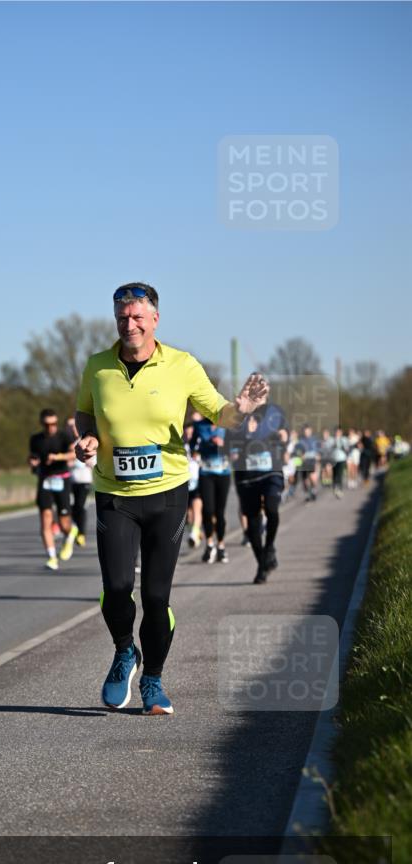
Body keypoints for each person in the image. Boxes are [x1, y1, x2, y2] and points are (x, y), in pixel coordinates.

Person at [75, 281, 269, 715]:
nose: (130, 324)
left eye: (138, 316)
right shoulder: (97, 366)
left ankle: (154, 681)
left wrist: (243, 409)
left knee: (156, 597)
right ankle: (125, 651)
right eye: (123, 317)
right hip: (114, 493)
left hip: (167, 495)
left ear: (155, 319)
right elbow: (85, 411)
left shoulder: (181, 365)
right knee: (118, 587)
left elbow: (220, 413)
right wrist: (85, 438)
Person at [227, 397, 288, 584]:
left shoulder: (274, 416)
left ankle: (269, 548)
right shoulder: (237, 419)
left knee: (271, 508)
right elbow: (229, 446)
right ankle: (262, 564)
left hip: (271, 472)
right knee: (253, 524)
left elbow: (285, 437)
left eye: (261, 395)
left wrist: (281, 437)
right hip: (246, 477)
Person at [28, 409, 76, 570]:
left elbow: (73, 454)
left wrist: (57, 457)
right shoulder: (35, 439)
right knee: (46, 517)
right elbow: (33, 456)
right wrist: (33, 462)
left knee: (64, 523)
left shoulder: (64, 436)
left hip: (62, 479)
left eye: (54, 423)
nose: (51, 427)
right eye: (47, 424)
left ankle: (71, 532)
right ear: (42, 423)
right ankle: (51, 556)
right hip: (45, 480)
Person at [191, 417, 231, 564]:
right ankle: (209, 544)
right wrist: (197, 450)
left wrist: (223, 445)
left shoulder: (226, 425)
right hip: (206, 473)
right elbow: (193, 444)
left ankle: (221, 545)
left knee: (220, 513)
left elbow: (235, 446)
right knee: (207, 510)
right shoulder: (199, 425)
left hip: (223, 473)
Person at [66, 415, 93, 548]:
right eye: (69, 427)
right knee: (71, 507)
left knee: (80, 507)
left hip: (83, 480)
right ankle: (74, 529)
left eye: (74, 426)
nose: (72, 429)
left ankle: (81, 534)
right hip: (70, 481)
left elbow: (92, 462)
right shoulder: (66, 443)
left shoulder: (87, 440)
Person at [183, 419, 203, 549]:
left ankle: (194, 535)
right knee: (188, 517)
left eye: (191, 433)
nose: (189, 435)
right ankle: (197, 531)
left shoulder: (200, 444)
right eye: (187, 433)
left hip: (198, 481)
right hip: (185, 482)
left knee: (197, 507)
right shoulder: (181, 445)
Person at [294, 424, 320, 501]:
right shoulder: (301, 441)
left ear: (311, 431)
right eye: (305, 432)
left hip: (312, 461)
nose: (307, 433)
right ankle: (308, 493)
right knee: (305, 480)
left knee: (313, 478)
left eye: (308, 431)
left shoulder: (315, 440)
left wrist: (318, 454)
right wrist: (300, 455)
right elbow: (297, 451)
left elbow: (319, 449)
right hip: (303, 462)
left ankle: (313, 490)